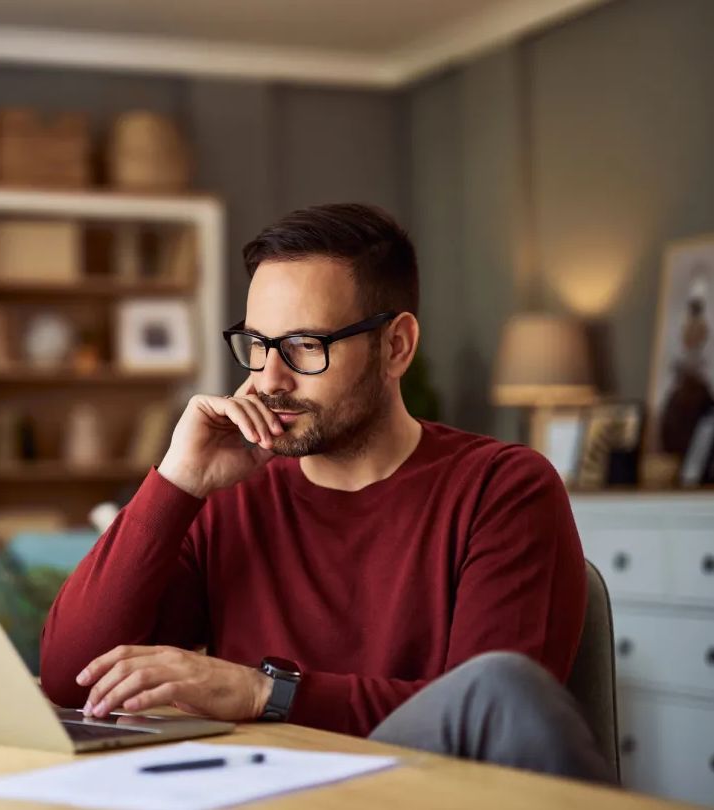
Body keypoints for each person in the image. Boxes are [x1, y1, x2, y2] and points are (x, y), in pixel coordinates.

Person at [40, 203, 615, 784]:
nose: (269, 379)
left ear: (396, 346)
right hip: (266, 795)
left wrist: (268, 692)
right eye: (258, 344)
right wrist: (175, 483)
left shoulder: (503, 488)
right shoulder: (232, 498)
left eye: (305, 346)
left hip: (421, 792)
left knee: (501, 686)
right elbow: (70, 680)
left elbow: (491, 720)